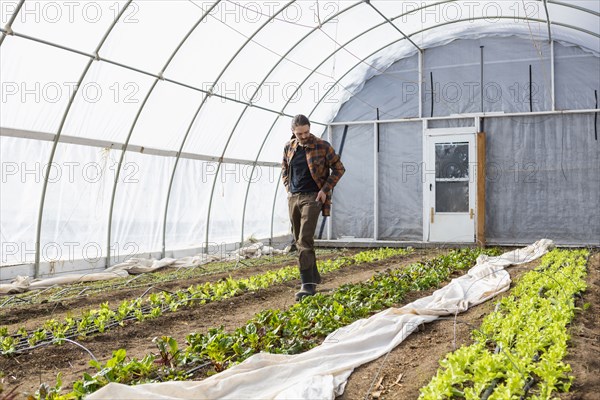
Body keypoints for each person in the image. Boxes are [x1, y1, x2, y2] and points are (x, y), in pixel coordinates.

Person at [282, 114, 345, 301]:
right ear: (293, 132)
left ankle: (307, 284)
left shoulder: (322, 146)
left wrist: (325, 190)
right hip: (294, 197)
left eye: (306, 132)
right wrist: (288, 187)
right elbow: (284, 168)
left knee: (305, 239)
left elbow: (339, 168)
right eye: (300, 133)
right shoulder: (289, 147)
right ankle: (314, 277)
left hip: (313, 197)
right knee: (298, 238)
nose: (304, 136)